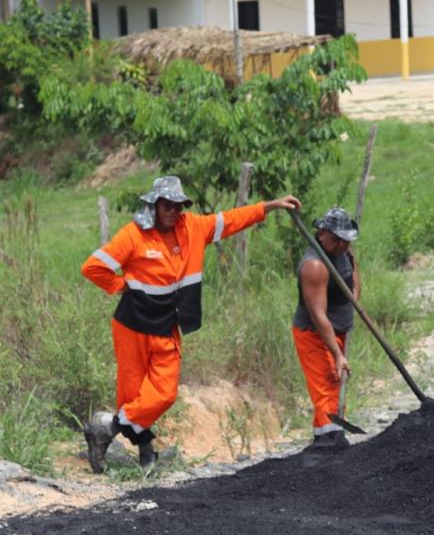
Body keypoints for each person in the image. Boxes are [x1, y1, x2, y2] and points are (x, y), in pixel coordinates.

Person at [81, 176, 301, 474]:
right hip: (131, 325)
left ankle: (107, 428)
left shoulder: (194, 228)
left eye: (178, 205)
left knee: (163, 393)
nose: (173, 210)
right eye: (167, 205)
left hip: (167, 327)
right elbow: (93, 266)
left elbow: (232, 219)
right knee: (132, 396)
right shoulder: (133, 235)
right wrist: (120, 285)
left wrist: (270, 206)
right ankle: (146, 455)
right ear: (154, 206)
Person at [291, 207, 360, 449]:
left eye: (345, 240)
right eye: (336, 239)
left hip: (340, 327)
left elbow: (353, 275)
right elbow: (318, 315)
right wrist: (338, 354)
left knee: (337, 384)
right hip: (314, 333)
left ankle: (328, 435)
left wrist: (354, 304)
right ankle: (330, 440)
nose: (342, 245)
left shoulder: (344, 250)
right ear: (321, 234)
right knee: (327, 383)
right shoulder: (315, 266)